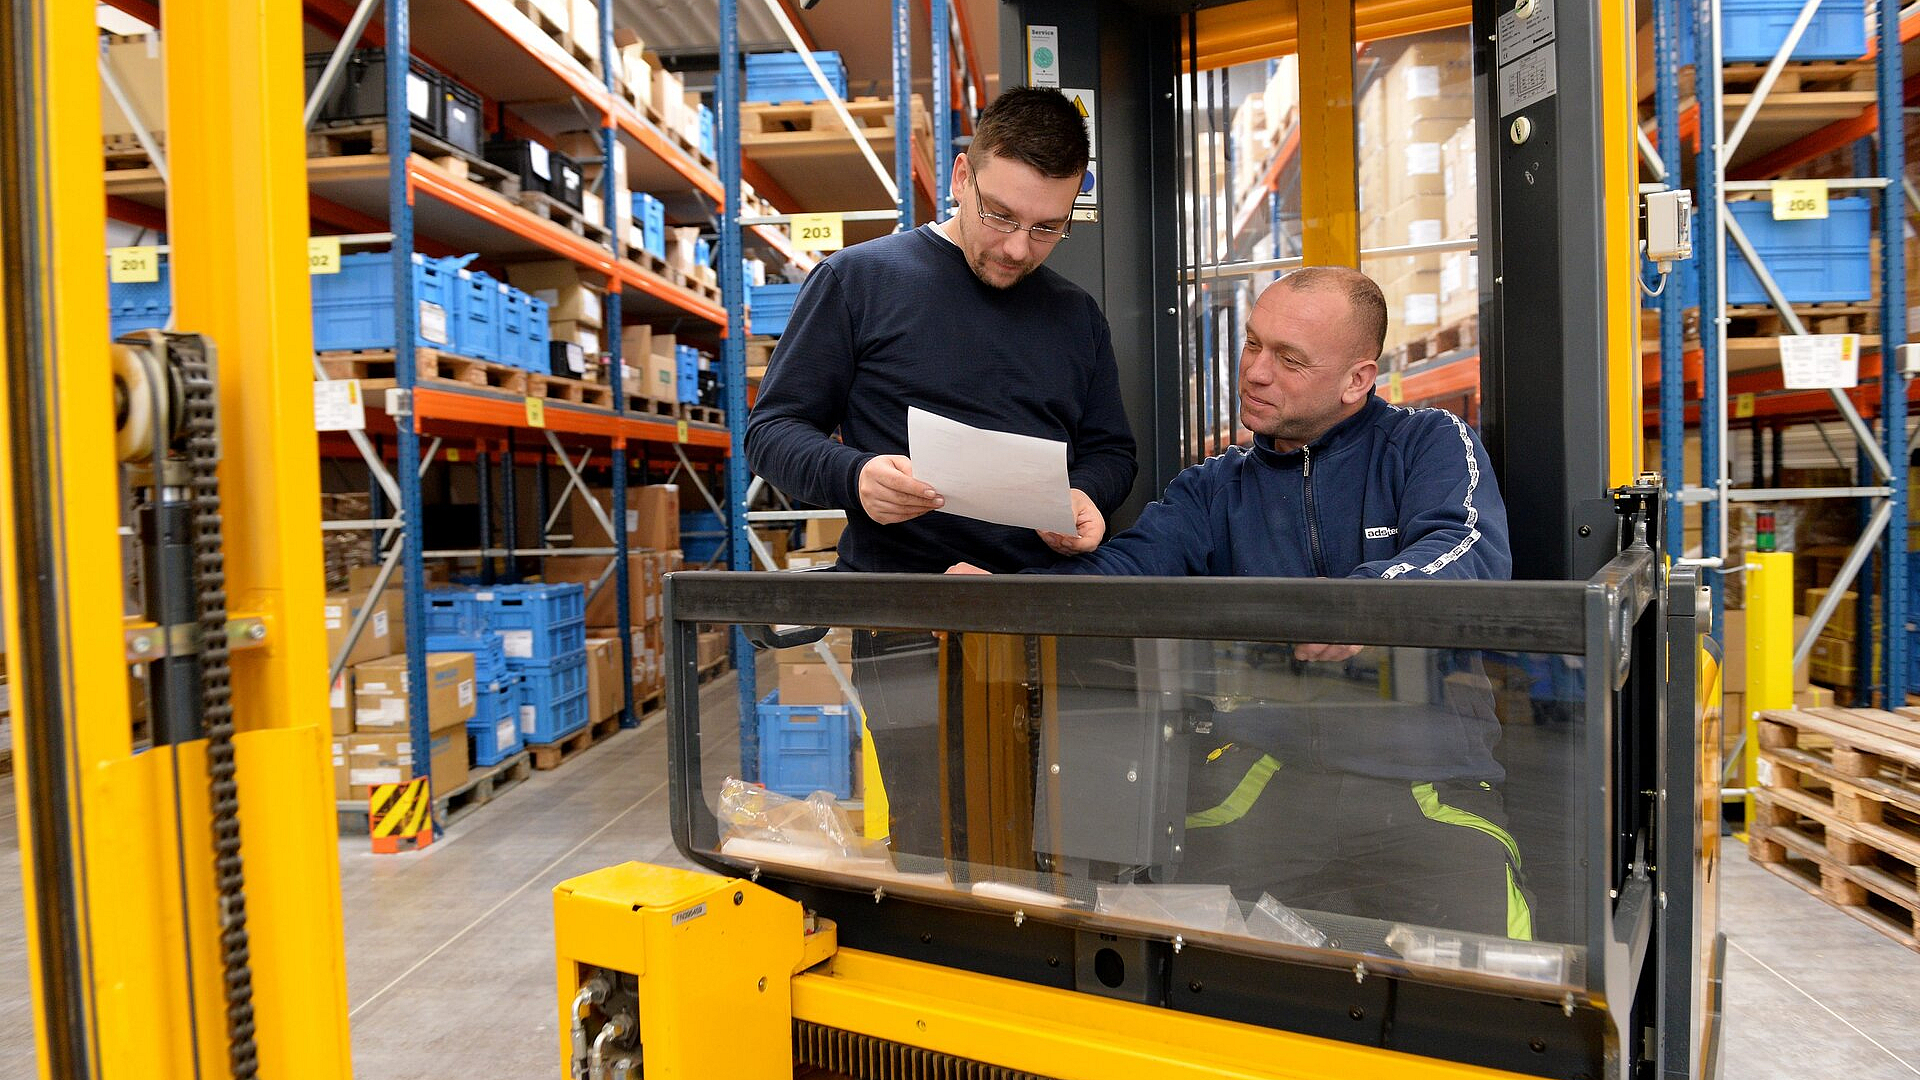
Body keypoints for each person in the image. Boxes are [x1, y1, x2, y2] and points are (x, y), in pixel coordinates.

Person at [954, 266, 1530, 939]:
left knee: (1496, 975)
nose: (1254, 372)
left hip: (1427, 782)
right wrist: (1006, 599)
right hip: (1262, 776)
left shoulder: (1428, 444)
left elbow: (1467, 545)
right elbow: (1122, 573)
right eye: (1253, 344)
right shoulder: (1212, 490)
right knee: (1191, 958)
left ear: (1357, 379)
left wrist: (1364, 603)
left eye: (1289, 359)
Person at [745, 87, 1138, 860]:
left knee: (1067, 848)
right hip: (913, 627)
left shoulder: (1076, 317)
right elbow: (772, 433)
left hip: (1047, 619)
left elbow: (1110, 451)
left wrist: (1088, 498)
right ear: (961, 176)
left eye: (1047, 227)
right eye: (1000, 215)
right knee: (944, 846)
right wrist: (857, 477)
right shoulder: (858, 282)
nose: (1018, 248)